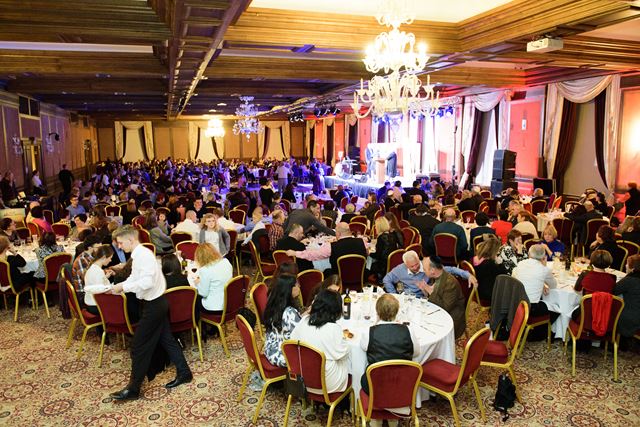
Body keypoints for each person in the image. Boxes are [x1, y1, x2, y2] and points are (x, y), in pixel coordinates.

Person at [108, 225, 192, 401]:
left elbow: (146, 283)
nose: (119, 247)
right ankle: (184, 372)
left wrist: (124, 287)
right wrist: (120, 287)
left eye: (121, 243)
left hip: (154, 305)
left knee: (138, 346)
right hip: (155, 302)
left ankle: (133, 389)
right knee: (167, 340)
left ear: (131, 239)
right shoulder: (138, 255)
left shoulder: (144, 256)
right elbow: (135, 278)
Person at [359, 294, 419, 399]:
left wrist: (376, 323)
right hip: (403, 383)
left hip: (375, 385)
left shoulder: (369, 332)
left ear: (377, 312)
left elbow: (364, 347)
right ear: (397, 312)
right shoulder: (408, 330)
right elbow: (416, 353)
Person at [290, 289, 350, 394]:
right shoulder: (333, 329)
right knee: (348, 360)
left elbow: (292, 342)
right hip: (327, 384)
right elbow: (344, 353)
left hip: (303, 379)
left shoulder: (304, 321)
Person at [382, 250, 476, 297]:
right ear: (406, 265)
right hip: (406, 299)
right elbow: (386, 279)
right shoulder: (400, 269)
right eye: (412, 266)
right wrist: (394, 295)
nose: (415, 268)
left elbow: (450, 269)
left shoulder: (427, 266)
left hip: (424, 298)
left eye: (417, 264)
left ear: (419, 260)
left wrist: (467, 275)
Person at [288, 222, 367, 276]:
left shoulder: (332, 246)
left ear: (338, 233)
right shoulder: (362, 242)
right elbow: (367, 253)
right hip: (360, 275)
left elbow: (314, 255)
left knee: (326, 272)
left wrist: (295, 253)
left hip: (338, 277)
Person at [263, 275, 302, 367]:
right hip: (284, 356)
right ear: (290, 289)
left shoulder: (273, 305)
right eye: (297, 285)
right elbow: (301, 335)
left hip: (270, 349)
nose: (299, 286)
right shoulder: (290, 312)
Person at [512, 244, 557, 319]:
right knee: (557, 309)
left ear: (529, 254)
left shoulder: (521, 263)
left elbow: (515, 277)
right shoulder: (544, 269)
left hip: (516, 303)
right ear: (543, 257)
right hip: (531, 308)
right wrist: (544, 266)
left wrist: (542, 285)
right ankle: (546, 326)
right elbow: (553, 285)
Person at [194, 242, 233, 317]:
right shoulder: (226, 262)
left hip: (214, 308)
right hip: (229, 303)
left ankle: (198, 322)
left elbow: (203, 293)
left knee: (194, 298)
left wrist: (198, 283)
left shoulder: (205, 270)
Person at [613, 255, 640, 343]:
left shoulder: (630, 280)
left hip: (631, 318)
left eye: (627, 264)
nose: (625, 265)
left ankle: (611, 340)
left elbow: (613, 291)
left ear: (633, 269)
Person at [83, 244, 115, 315]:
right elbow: (101, 292)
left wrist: (105, 277)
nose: (110, 260)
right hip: (95, 305)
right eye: (110, 258)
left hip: (89, 301)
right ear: (104, 257)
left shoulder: (93, 267)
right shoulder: (98, 272)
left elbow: (95, 283)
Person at [473, 236, 508, 302]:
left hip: (478, 290)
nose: (498, 252)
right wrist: (500, 263)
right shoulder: (490, 264)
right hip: (489, 294)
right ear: (494, 251)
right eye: (498, 250)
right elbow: (504, 275)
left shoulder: (476, 258)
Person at [370, 217, 402, 281]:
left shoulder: (381, 238)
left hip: (383, 269)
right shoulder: (393, 235)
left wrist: (369, 253)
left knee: (367, 264)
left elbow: (377, 256)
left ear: (380, 227)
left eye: (376, 226)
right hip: (392, 265)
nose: (375, 228)